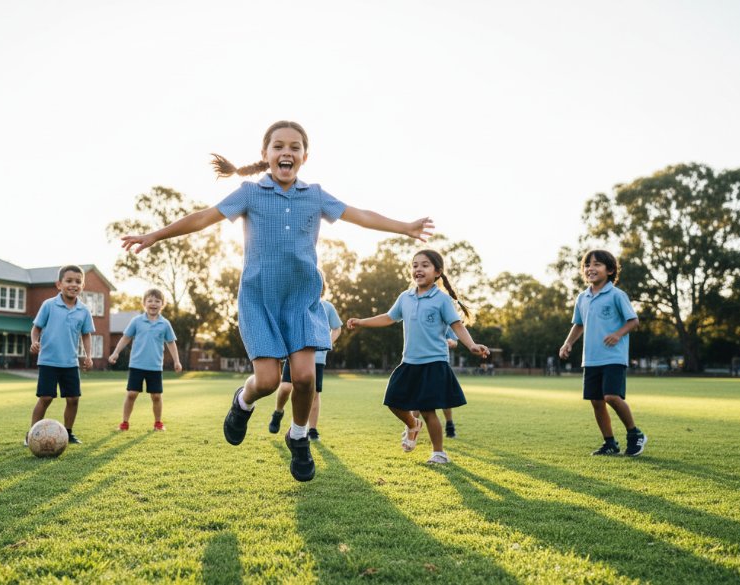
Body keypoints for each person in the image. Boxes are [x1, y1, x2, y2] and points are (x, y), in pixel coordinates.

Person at [120, 120, 433, 482]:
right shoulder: (249, 193)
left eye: (295, 147)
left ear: (304, 156)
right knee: (267, 381)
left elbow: (359, 215)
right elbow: (203, 217)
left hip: (302, 301)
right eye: (279, 146)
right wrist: (155, 236)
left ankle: (298, 437)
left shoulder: (315, 195)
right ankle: (243, 402)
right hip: (259, 300)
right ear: (265, 155)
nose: (287, 152)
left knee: (303, 378)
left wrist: (404, 227)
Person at [347, 249, 489, 465]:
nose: (418, 269)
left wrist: (471, 345)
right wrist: (362, 321)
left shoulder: (441, 299)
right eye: (415, 265)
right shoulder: (406, 297)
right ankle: (413, 424)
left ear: (437, 272)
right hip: (409, 362)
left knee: (428, 409)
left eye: (424, 265)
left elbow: (457, 325)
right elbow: (388, 317)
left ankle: (439, 453)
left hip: (434, 363)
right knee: (393, 399)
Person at [559, 250, 647, 456]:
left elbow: (633, 321)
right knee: (597, 402)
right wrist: (567, 343)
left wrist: (618, 334)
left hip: (613, 357)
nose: (591, 268)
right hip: (590, 358)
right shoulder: (583, 298)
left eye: (597, 264)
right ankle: (610, 443)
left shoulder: (617, 295)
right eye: (587, 265)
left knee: (611, 396)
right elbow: (578, 325)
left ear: (609, 270)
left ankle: (635, 434)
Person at [27, 265, 95, 446]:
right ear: (59, 284)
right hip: (48, 361)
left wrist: (89, 356)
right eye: (69, 281)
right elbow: (36, 328)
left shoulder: (84, 311)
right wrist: (34, 341)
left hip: (70, 363)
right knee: (46, 398)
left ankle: (69, 432)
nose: (74, 284)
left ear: (82, 285)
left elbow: (86, 334)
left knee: (73, 399)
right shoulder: (49, 305)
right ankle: (32, 434)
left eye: (78, 281)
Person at [268, 285, 342, 441]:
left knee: (314, 394)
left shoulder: (327, 307)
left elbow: (337, 328)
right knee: (286, 387)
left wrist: (325, 342)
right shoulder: (297, 305)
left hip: (318, 358)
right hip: (296, 354)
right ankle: (278, 412)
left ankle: (312, 429)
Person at [108, 288, 182, 432]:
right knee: (131, 394)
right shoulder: (137, 321)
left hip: (155, 366)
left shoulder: (165, 324)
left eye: (157, 301)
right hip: (137, 364)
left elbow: (171, 343)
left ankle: (158, 423)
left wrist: (176, 361)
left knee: (156, 396)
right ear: (144, 303)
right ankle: (124, 423)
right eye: (150, 300)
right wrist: (115, 352)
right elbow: (125, 338)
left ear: (162, 304)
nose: (153, 304)